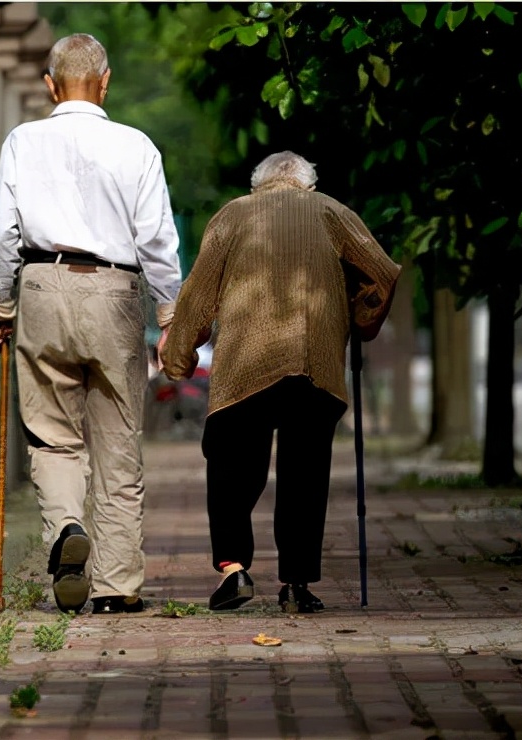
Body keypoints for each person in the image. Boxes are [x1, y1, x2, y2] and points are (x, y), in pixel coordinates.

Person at [0, 33, 182, 614]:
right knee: (118, 439)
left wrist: (0, 305)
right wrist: (169, 312)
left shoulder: (22, 140)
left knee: (52, 433)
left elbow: (5, 233)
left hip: (43, 286)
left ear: (49, 84)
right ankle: (117, 586)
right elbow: (156, 239)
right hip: (116, 291)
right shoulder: (136, 145)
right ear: (106, 80)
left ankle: (68, 529)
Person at [159, 151, 400, 613]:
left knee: (231, 465)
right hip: (317, 364)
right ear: (306, 185)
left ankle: (234, 569)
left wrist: (178, 357)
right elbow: (384, 272)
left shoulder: (233, 214)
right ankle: (296, 584)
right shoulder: (332, 212)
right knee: (305, 475)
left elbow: (198, 292)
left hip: (246, 365)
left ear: (259, 186)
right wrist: (362, 316)